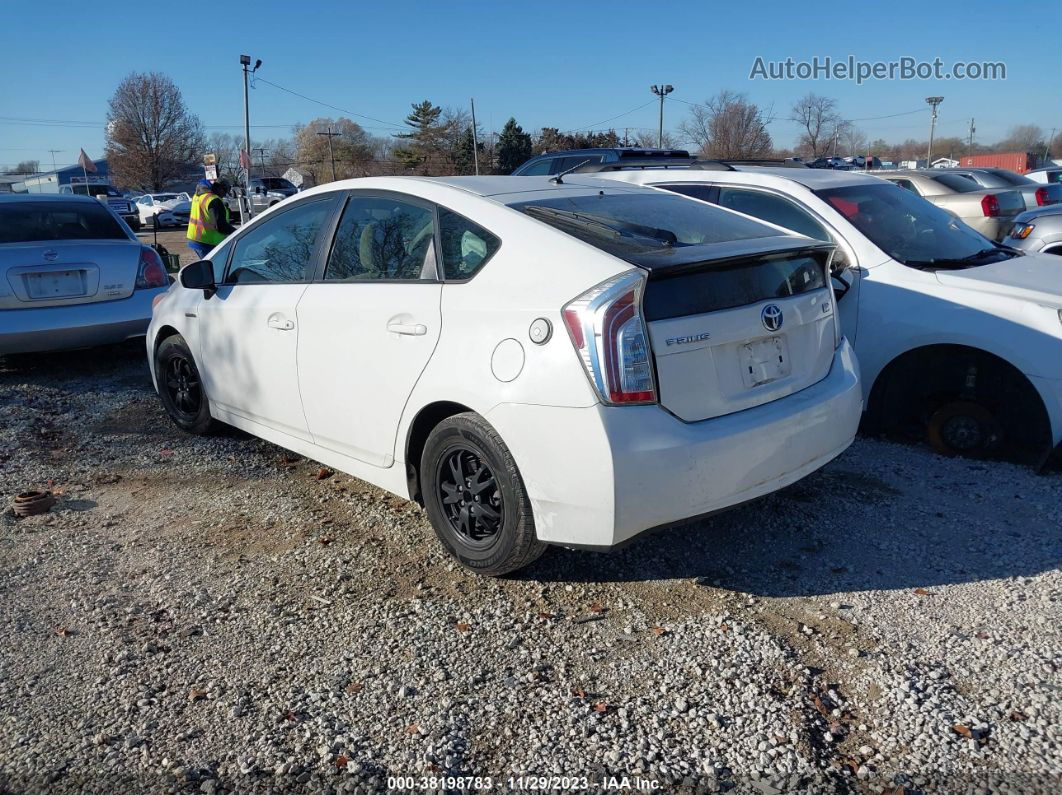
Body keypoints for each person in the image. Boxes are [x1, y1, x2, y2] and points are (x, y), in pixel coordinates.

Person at [186, 178, 236, 260]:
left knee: (209, 267)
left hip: (196, 239)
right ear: (220, 188)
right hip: (207, 242)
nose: (224, 195)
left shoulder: (199, 195)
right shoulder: (214, 200)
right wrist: (236, 232)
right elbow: (221, 226)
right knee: (214, 269)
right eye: (225, 192)